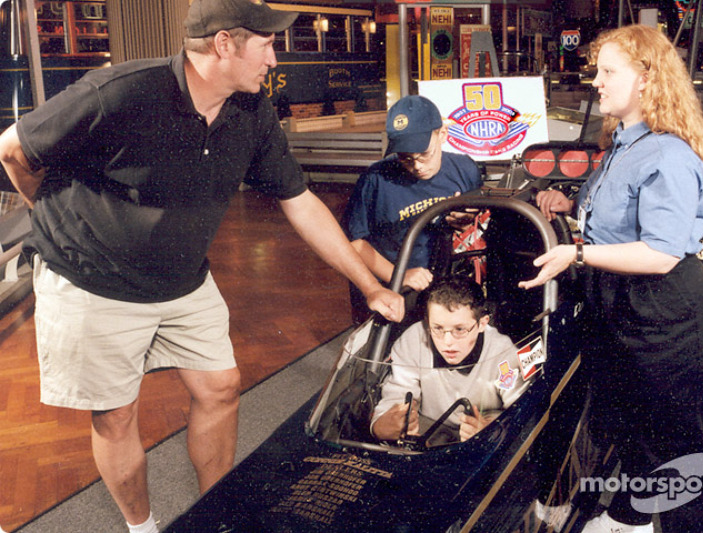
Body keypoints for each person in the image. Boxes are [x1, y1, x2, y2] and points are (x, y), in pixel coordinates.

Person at [0, 1, 403, 532]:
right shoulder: (122, 92)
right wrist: (60, 227)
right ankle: (141, 527)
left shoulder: (250, 110)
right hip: (92, 281)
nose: (274, 56)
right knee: (117, 415)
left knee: (220, 387)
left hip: (183, 279)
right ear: (223, 45)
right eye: (265, 43)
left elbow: (300, 201)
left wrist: (368, 285)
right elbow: (13, 150)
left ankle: (218, 514)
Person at [520, 25, 703, 533]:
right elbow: (614, 218)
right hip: (621, 305)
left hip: (663, 312)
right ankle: (633, 516)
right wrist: (569, 206)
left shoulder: (668, 154)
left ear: (647, 80)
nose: (597, 83)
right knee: (634, 429)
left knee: (680, 453)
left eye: (609, 72)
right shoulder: (623, 145)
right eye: (597, 71)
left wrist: (577, 252)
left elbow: (659, 254)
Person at [343, 95, 483, 323]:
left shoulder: (464, 169)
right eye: (406, 158)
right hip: (387, 285)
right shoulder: (376, 180)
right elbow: (354, 244)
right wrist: (398, 275)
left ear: (443, 135)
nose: (417, 166)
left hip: (439, 285)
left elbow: (477, 218)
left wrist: (466, 218)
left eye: (424, 155)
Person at [371, 276, 526, 444]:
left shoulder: (503, 354)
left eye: (459, 329)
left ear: (482, 324)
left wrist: (495, 430)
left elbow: (523, 412)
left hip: (485, 433)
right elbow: (396, 396)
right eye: (437, 328)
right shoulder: (414, 339)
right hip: (430, 427)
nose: (447, 342)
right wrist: (381, 426)